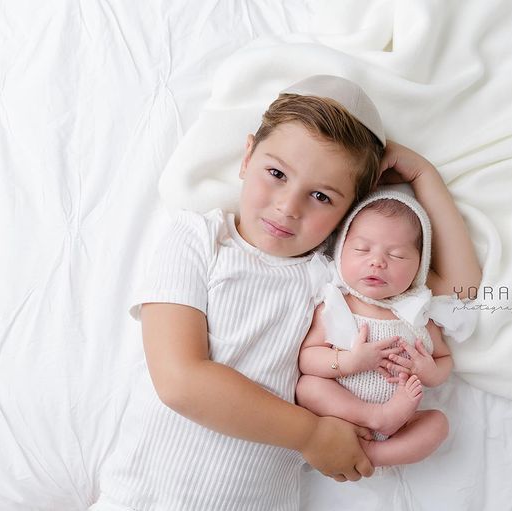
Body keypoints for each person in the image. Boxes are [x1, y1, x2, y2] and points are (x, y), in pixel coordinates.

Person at [90, 75, 482, 510]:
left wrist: (423, 174)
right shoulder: (197, 239)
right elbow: (181, 380)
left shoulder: (332, 276)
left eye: (321, 196)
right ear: (247, 157)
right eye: (276, 174)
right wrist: (311, 435)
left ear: (349, 212)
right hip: (142, 498)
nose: (288, 207)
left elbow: (462, 288)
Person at [296, 186, 476, 469]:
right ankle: (374, 416)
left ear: (419, 267)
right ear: (341, 251)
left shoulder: (418, 315)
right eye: (362, 249)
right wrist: (350, 362)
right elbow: (307, 359)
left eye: (397, 255)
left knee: (437, 424)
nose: (377, 262)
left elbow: (444, 359)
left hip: (401, 420)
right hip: (340, 415)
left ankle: (373, 455)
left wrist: (429, 372)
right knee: (308, 387)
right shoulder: (337, 305)